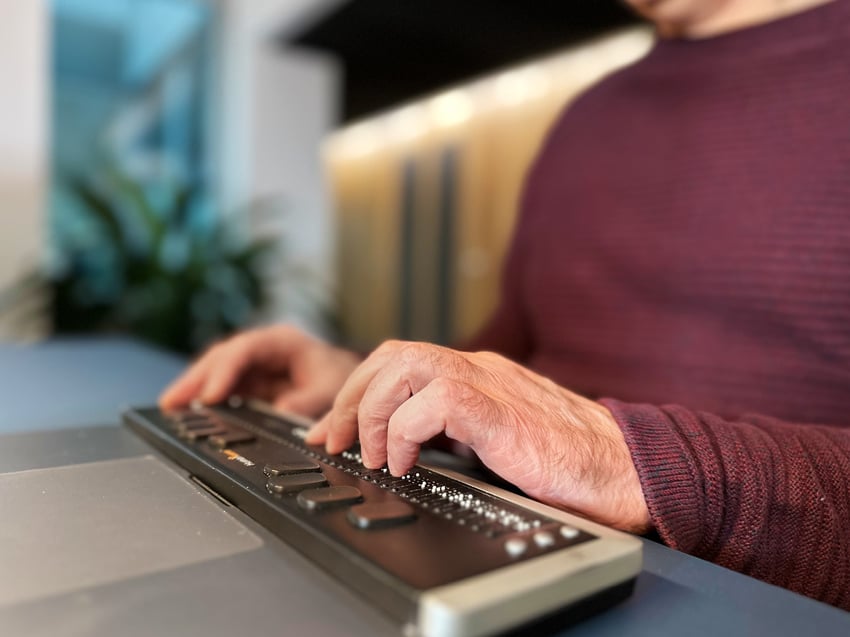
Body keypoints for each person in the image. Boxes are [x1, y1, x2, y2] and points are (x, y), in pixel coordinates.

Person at [161, 0, 850, 611]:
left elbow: (574, 431)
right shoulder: (588, 118)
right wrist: (360, 382)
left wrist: (633, 459)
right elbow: (506, 360)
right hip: (496, 552)